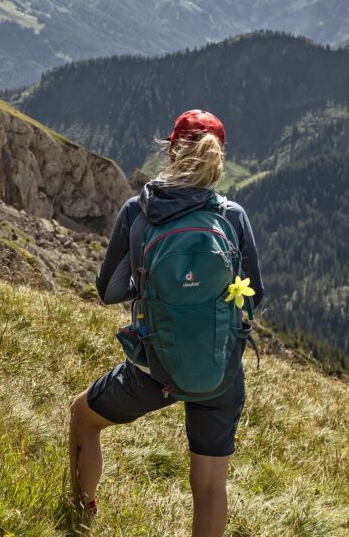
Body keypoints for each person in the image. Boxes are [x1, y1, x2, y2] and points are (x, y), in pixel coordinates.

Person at [68, 110, 264, 535]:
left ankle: (81, 517)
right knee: (210, 486)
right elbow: (255, 297)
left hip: (154, 367)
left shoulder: (138, 213)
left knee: (83, 417)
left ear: (172, 150)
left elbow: (108, 291)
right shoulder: (232, 217)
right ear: (219, 157)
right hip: (219, 370)